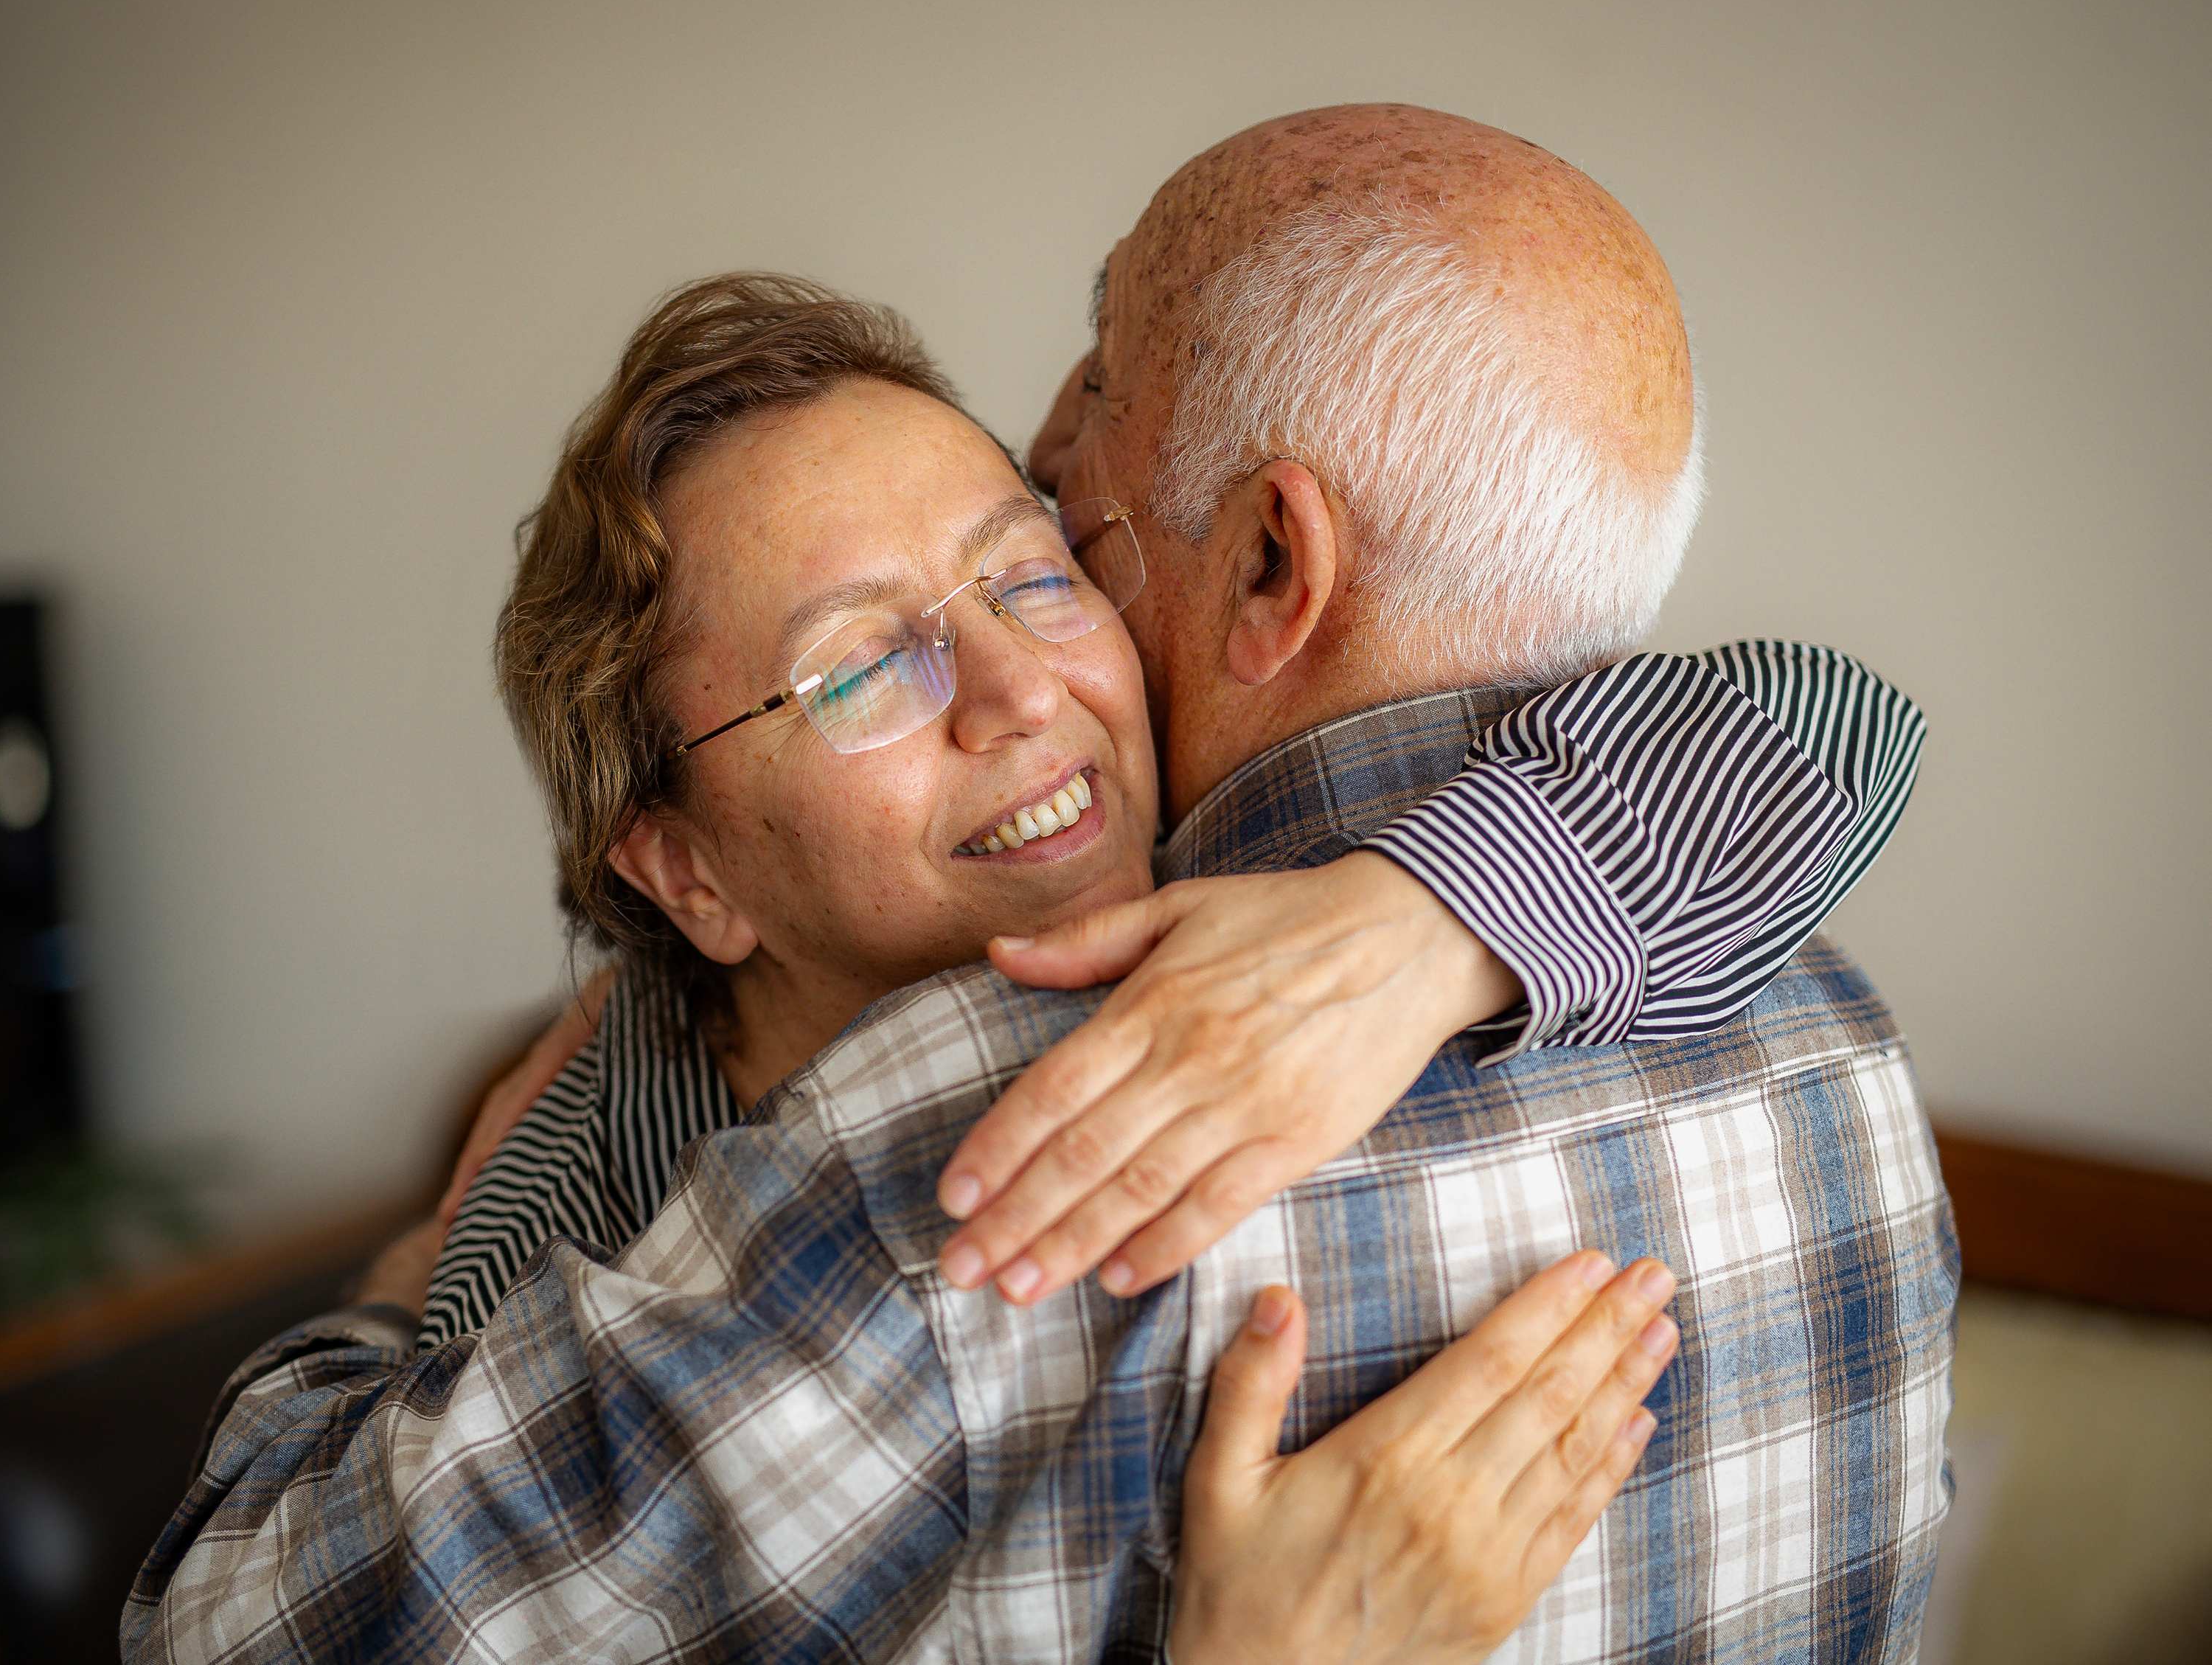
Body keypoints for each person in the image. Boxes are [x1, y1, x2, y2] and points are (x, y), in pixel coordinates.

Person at [128, 105, 1947, 1663]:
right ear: (680, 868)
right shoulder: (1837, 1049)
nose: (1019, 686)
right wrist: (420, 1281)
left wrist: (1424, 924)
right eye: (856, 669)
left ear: (1264, 567)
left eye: (1038, 558)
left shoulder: (963, 1166)